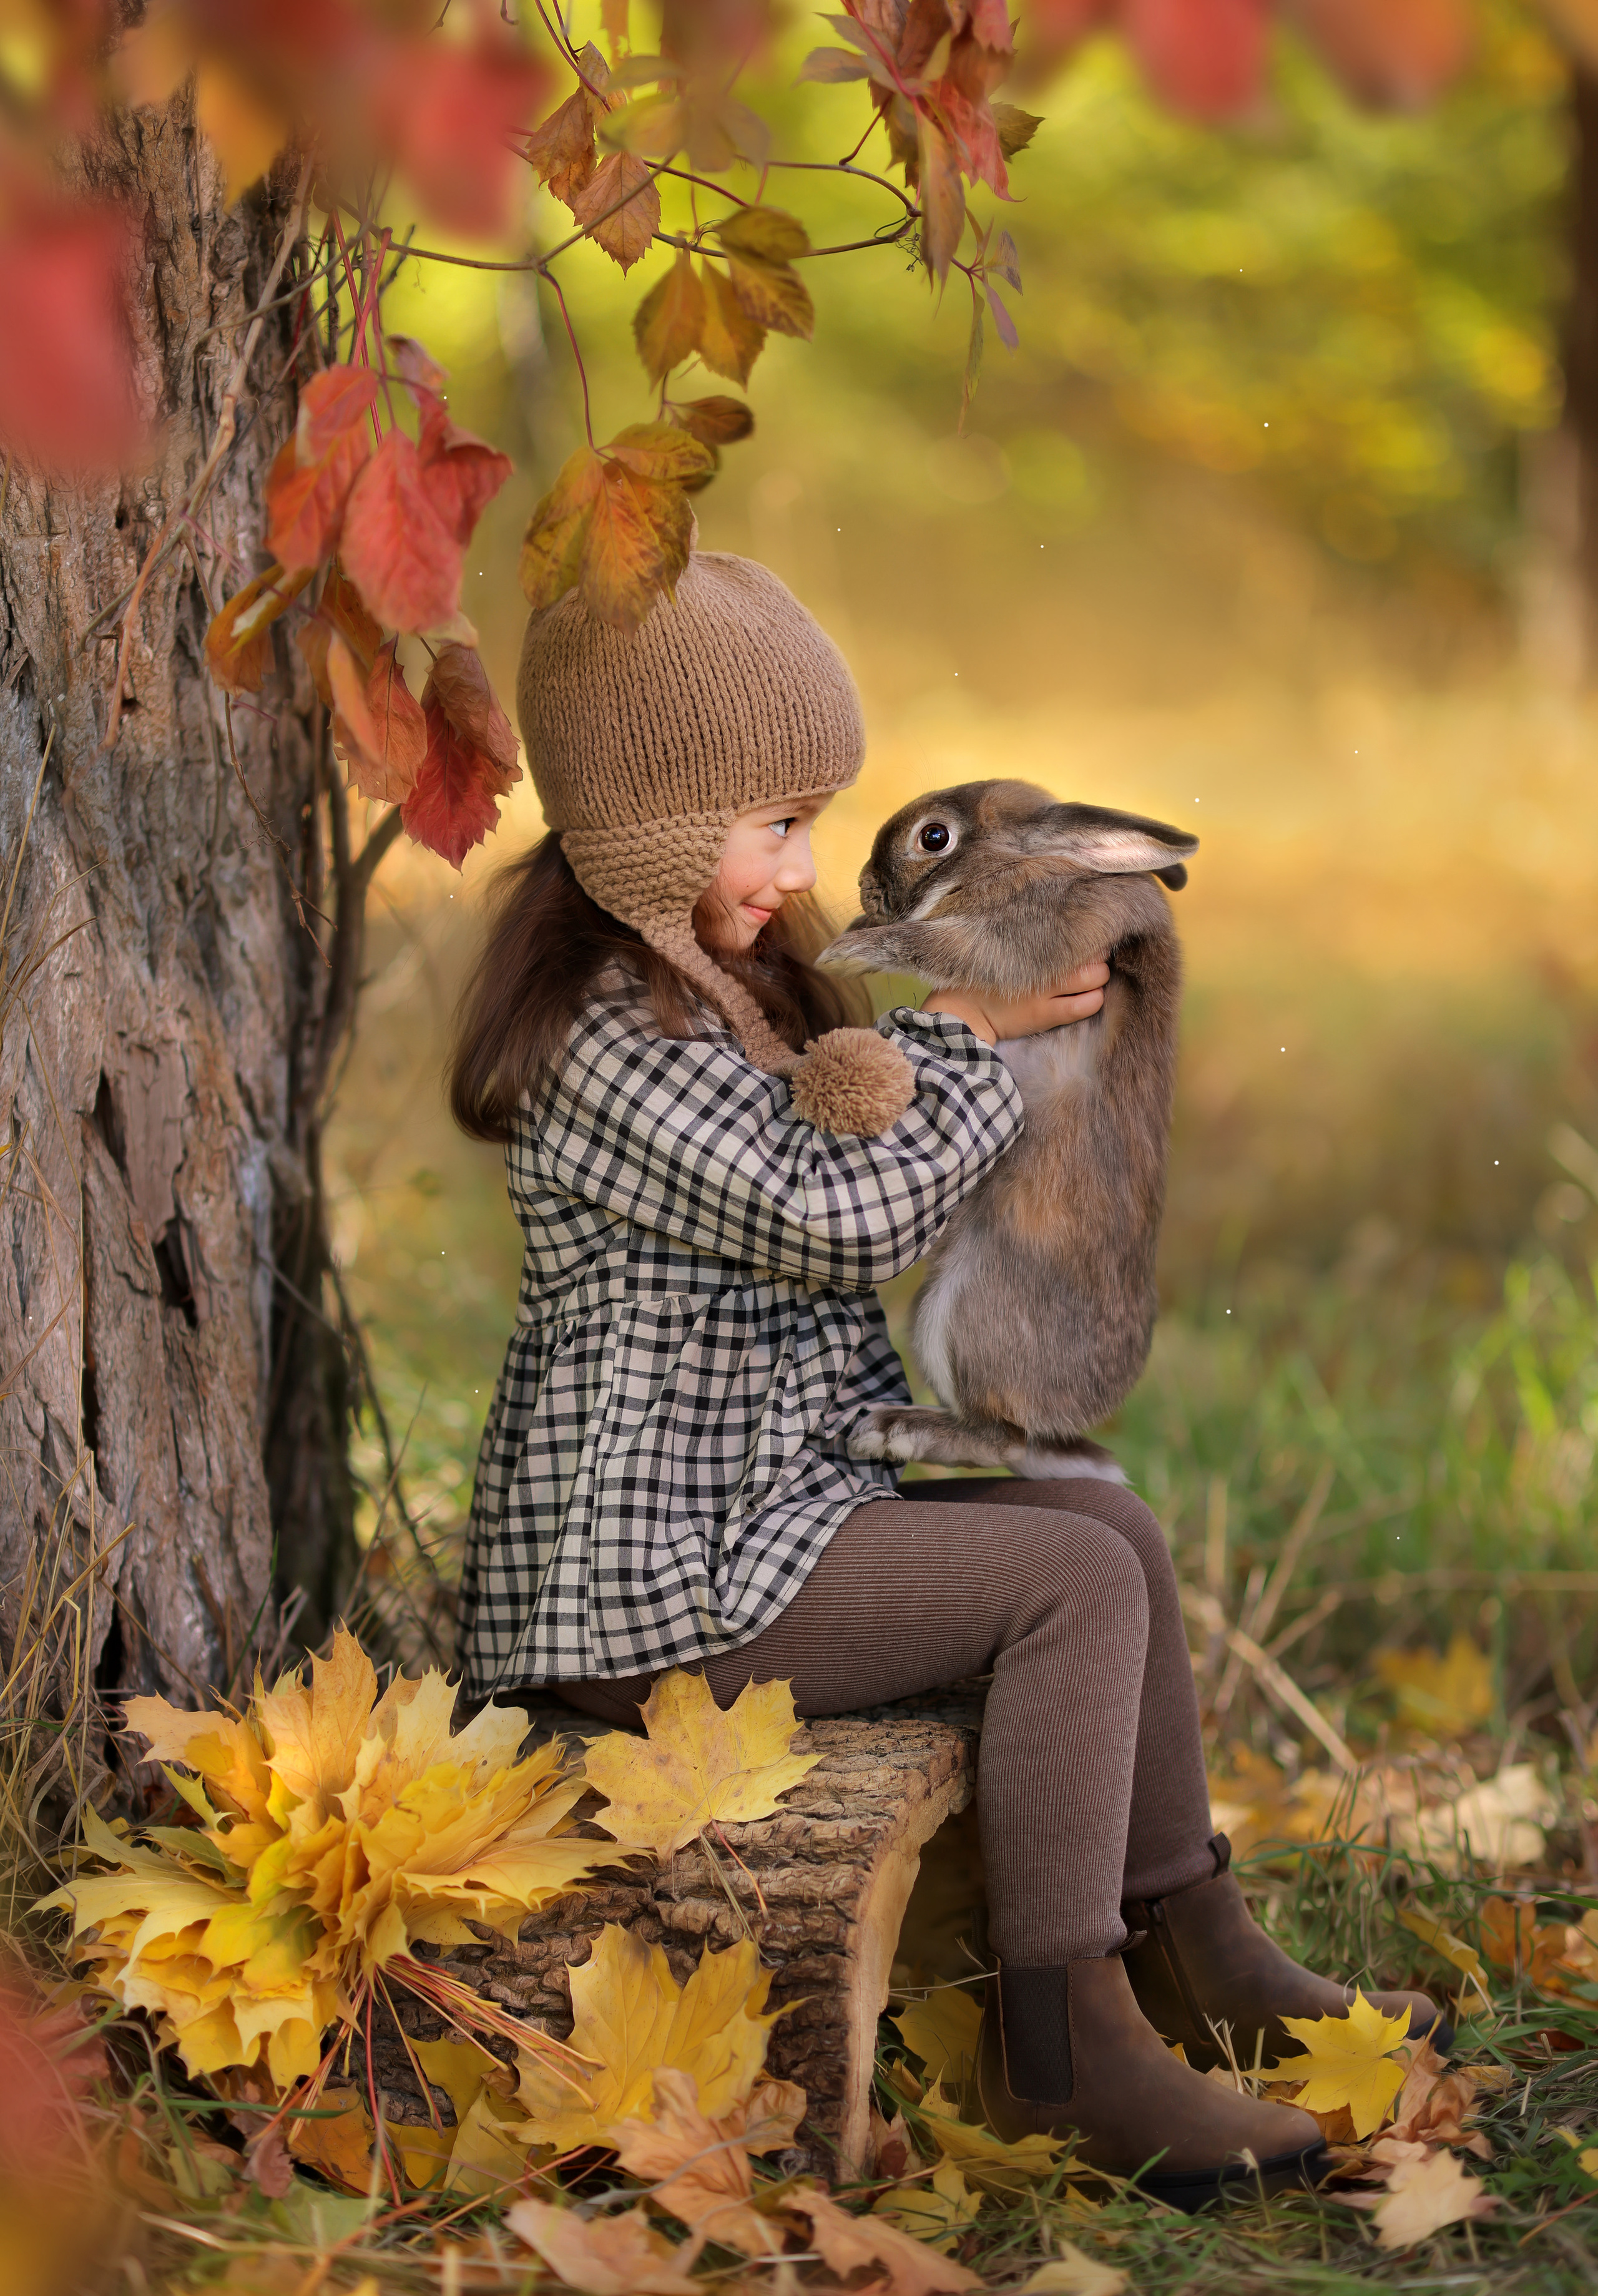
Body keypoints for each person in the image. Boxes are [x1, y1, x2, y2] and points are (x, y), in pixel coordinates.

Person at [447, 548, 1443, 2210]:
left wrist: (977, 1043)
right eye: (772, 823)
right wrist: (974, 1044)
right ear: (649, 820)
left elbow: (853, 1120)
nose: (804, 865)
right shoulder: (606, 1046)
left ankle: (1197, 1949)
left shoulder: (725, 1002)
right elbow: (838, 1216)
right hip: (654, 1594)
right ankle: (1067, 2045)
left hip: (757, 1526)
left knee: (1096, 1522)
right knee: (1060, 1586)